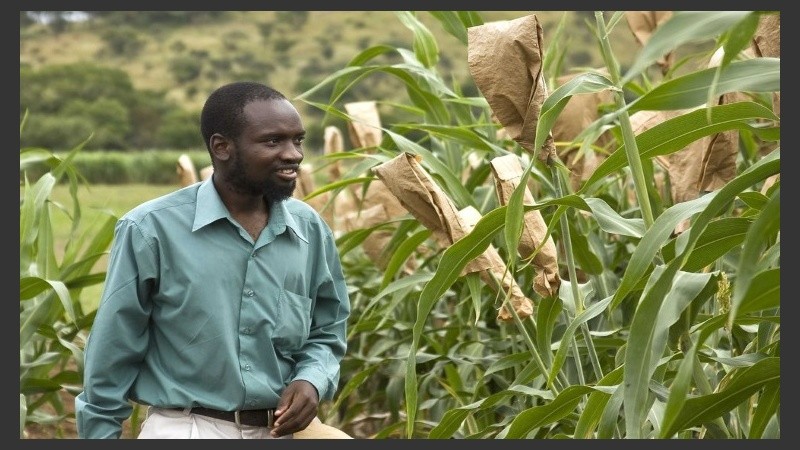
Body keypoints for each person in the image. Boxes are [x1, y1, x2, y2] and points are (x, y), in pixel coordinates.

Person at [74, 81, 352, 439]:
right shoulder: (151, 230)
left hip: (282, 432)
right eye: (273, 141)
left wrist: (311, 380)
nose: (293, 154)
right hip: (186, 428)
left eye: (297, 140)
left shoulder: (309, 229)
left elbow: (328, 329)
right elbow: (112, 353)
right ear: (222, 147)